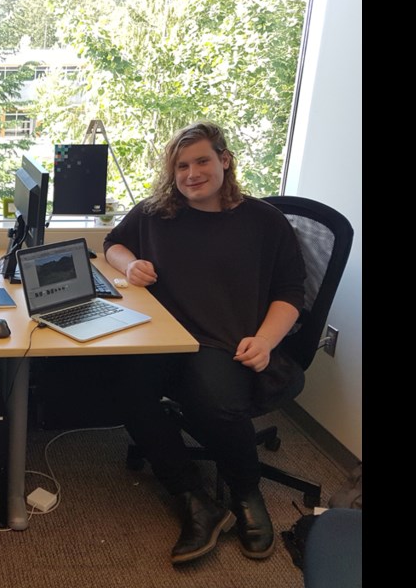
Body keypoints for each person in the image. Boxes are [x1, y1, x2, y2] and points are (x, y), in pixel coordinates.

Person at [103, 121, 305, 564]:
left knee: (213, 401)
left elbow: (291, 292)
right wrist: (130, 263)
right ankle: (194, 498)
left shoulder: (263, 221)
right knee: (124, 387)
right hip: (163, 337)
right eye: (181, 166)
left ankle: (247, 492)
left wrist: (268, 339)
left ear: (225, 161)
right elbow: (113, 243)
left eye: (202, 162)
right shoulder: (158, 211)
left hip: (225, 342)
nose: (192, 173)